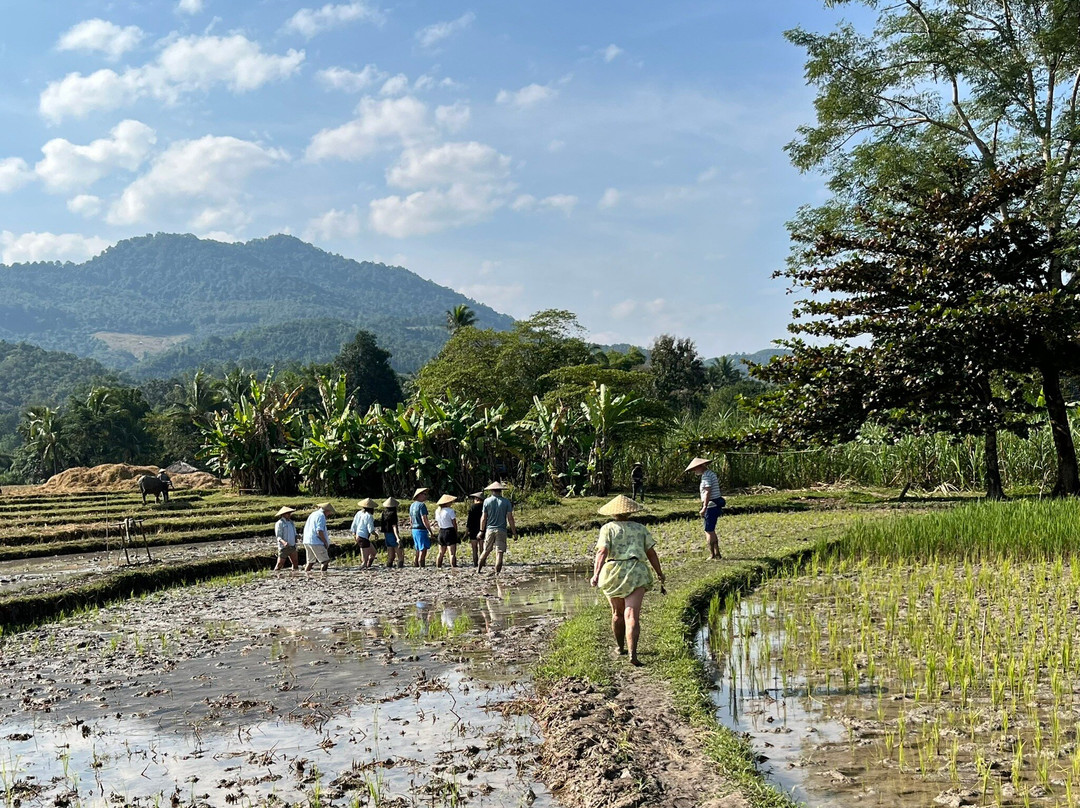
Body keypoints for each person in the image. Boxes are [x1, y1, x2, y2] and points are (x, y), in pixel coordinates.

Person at [590, 495, 665, 666]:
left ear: (613, 513)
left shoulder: (607, 529)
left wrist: (596, 574)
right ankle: (633, 653)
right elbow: (651, 553)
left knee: (617, 614)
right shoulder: (640, 529)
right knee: (632, 615)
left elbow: (602, 552)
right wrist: (659, 573)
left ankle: (620, 647)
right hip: (636, 571)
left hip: (613, 572)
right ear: (630, 512)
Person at [686, 457, 724, 559]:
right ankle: (717, 553)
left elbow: (707, 492)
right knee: (711, 530)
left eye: (695, 469)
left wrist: (704, 507)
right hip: (715, 504)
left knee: (708, 530)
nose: (694, 471)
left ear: (700, 466)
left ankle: (712, 554)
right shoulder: (710, 474)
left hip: (711, 505)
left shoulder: (706, 476)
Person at [477, 481, 516, 574]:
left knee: (486, 551)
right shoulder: (506, 502)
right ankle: (497, 573)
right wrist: (514, 532)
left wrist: (481, 530)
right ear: (500, 491)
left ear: (491, 491)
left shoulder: (487, 501)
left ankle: (478, 570)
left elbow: (483, 518)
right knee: (499, 552)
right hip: (501, 530)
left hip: (489, 529)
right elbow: (510, 518)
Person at [303, 502, 336, 573]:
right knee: (325, 561)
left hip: (307, 540)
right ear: (327, 511)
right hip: (316, 541)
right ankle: (323, 576)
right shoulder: (321, 516)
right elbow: (319, 531)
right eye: (329, 512)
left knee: (310, 561)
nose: (329, 514)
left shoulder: (313, 514)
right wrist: (325, 542)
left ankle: (306, 574)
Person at [434, 494, 460, 568]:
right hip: (449, 531)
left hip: (441, 531)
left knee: (441, 552)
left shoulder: (437, 511)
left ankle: (438, 566)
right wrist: (456, 532)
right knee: (452, 553)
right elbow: (454, 523)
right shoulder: (450, 511)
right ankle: (453, 567)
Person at [351, 498, 378, 568]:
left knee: (373, 553)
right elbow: (370, 529)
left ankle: (368, 566)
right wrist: (375, 534)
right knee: (364, 560)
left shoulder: (359, 513)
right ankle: (363, 571)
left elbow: (354, 525)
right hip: (363, 538)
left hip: (359, 536)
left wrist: (354, 534)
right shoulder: (369, 516)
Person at [409, 488, 433, 567]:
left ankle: (416, 564)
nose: (426, 496)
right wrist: (429, 530)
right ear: (419, 495)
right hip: (421, 529)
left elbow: (411, 520)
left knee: (417, 548)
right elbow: (424, 519)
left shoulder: (412, 505)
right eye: (424, 494)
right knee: (423, 549)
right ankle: (421, 564)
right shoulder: (422, 505)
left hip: (414, 529)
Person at [273, 506, 299, 571]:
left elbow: (294, 533)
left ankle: (295, 575)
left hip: (292, 546)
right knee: (279, 564)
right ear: (283, 514)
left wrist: (297, 536)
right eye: (288, 513)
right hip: (284, 548)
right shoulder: (279, 523)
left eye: (290, 513)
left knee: (295, 563)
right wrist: (284, 542)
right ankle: (275, 575)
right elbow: (278, 537)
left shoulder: (291, 522)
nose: (289, 515)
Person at [381, 497, 403, 568]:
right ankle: (400, 565)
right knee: (400, 554)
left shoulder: (384, 513)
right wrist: (397, 537)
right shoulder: (393, 514)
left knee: (391, 556)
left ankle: (389, 566)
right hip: (392, 534)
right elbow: (394, 526)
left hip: (386, 534)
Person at [466, 492, 484, 568]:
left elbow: (469, 521)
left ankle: (475, 563)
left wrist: (466, 531)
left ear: (476, 499)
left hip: (473, 530)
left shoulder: (472, 507)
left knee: (474, 548)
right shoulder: (485, 507)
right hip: (482, 529)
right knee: (482, 548)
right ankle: (482, 562)